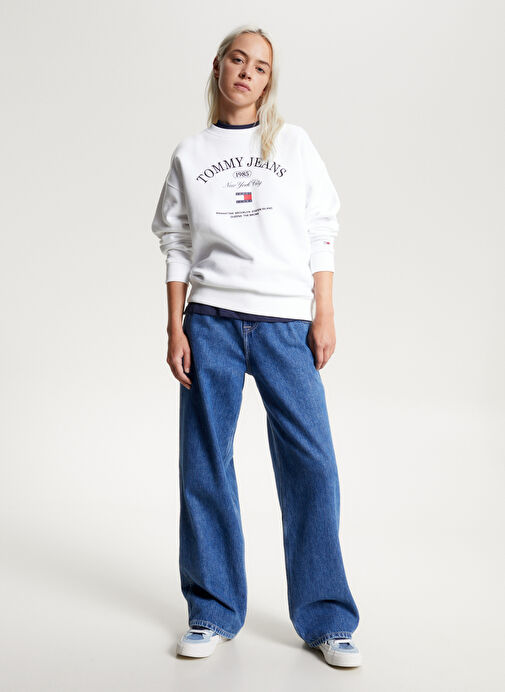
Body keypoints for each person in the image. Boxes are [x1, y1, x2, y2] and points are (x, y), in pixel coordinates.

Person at [151, 24, 362, 668]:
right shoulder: (191, 154)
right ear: (218, 67)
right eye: (238, 60)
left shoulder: (292, 145)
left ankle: (327, 618)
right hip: (210, 320)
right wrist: (175, 325)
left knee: (312, 465)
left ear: (268, 83)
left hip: (284, 324)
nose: (247, 72)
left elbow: (321, 227)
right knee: (205, 463)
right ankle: (212, 610)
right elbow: (176, 242)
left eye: (261, 67)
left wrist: (324, 313)